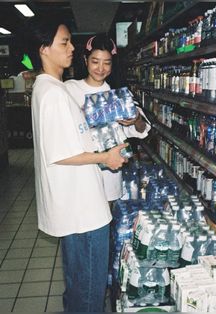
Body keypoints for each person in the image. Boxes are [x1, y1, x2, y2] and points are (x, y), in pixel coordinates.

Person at [27, 16, 128, 312]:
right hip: (83, 211)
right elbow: (60, 153)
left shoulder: (49, 89)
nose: (71, 47)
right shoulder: (54, 94)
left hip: (76, 207)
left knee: (78, 284)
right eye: (64, 42)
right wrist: (105, 157)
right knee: (89, 291)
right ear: (44, 49)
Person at [65, 34, 151, 203]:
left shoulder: (119, 94)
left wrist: (136, 118)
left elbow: (142, 130)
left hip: (110, 175)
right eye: (95, 61)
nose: (101, 68)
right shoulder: (70, 89)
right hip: (80, 173)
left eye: (107, 62)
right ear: (85, 59)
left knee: (107, 222)